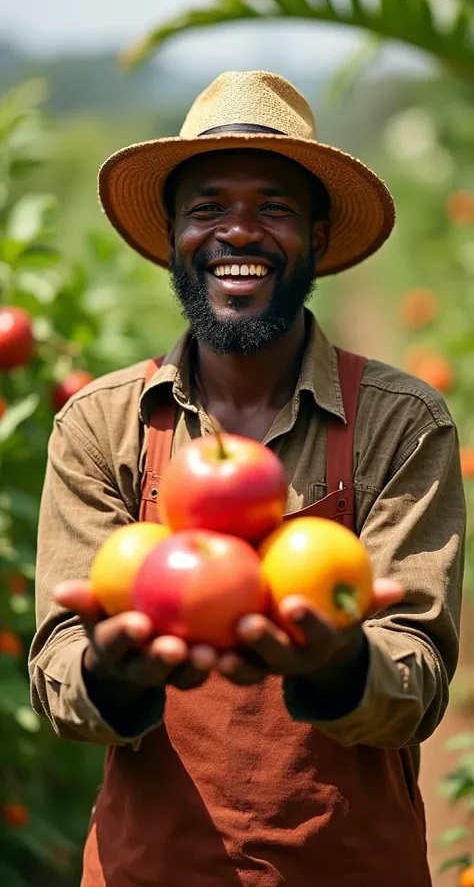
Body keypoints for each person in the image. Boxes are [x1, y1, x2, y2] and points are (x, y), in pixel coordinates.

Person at [29, 71, 465, 887]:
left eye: (272, 207)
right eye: (207, 208)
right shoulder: (101, 424)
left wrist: (340, 665)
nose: (239, 231)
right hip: (149, 870)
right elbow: (57, 670)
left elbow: (420, 671)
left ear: (317, 235)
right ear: (171, 235)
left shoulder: (402, 424)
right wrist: (110, 672)